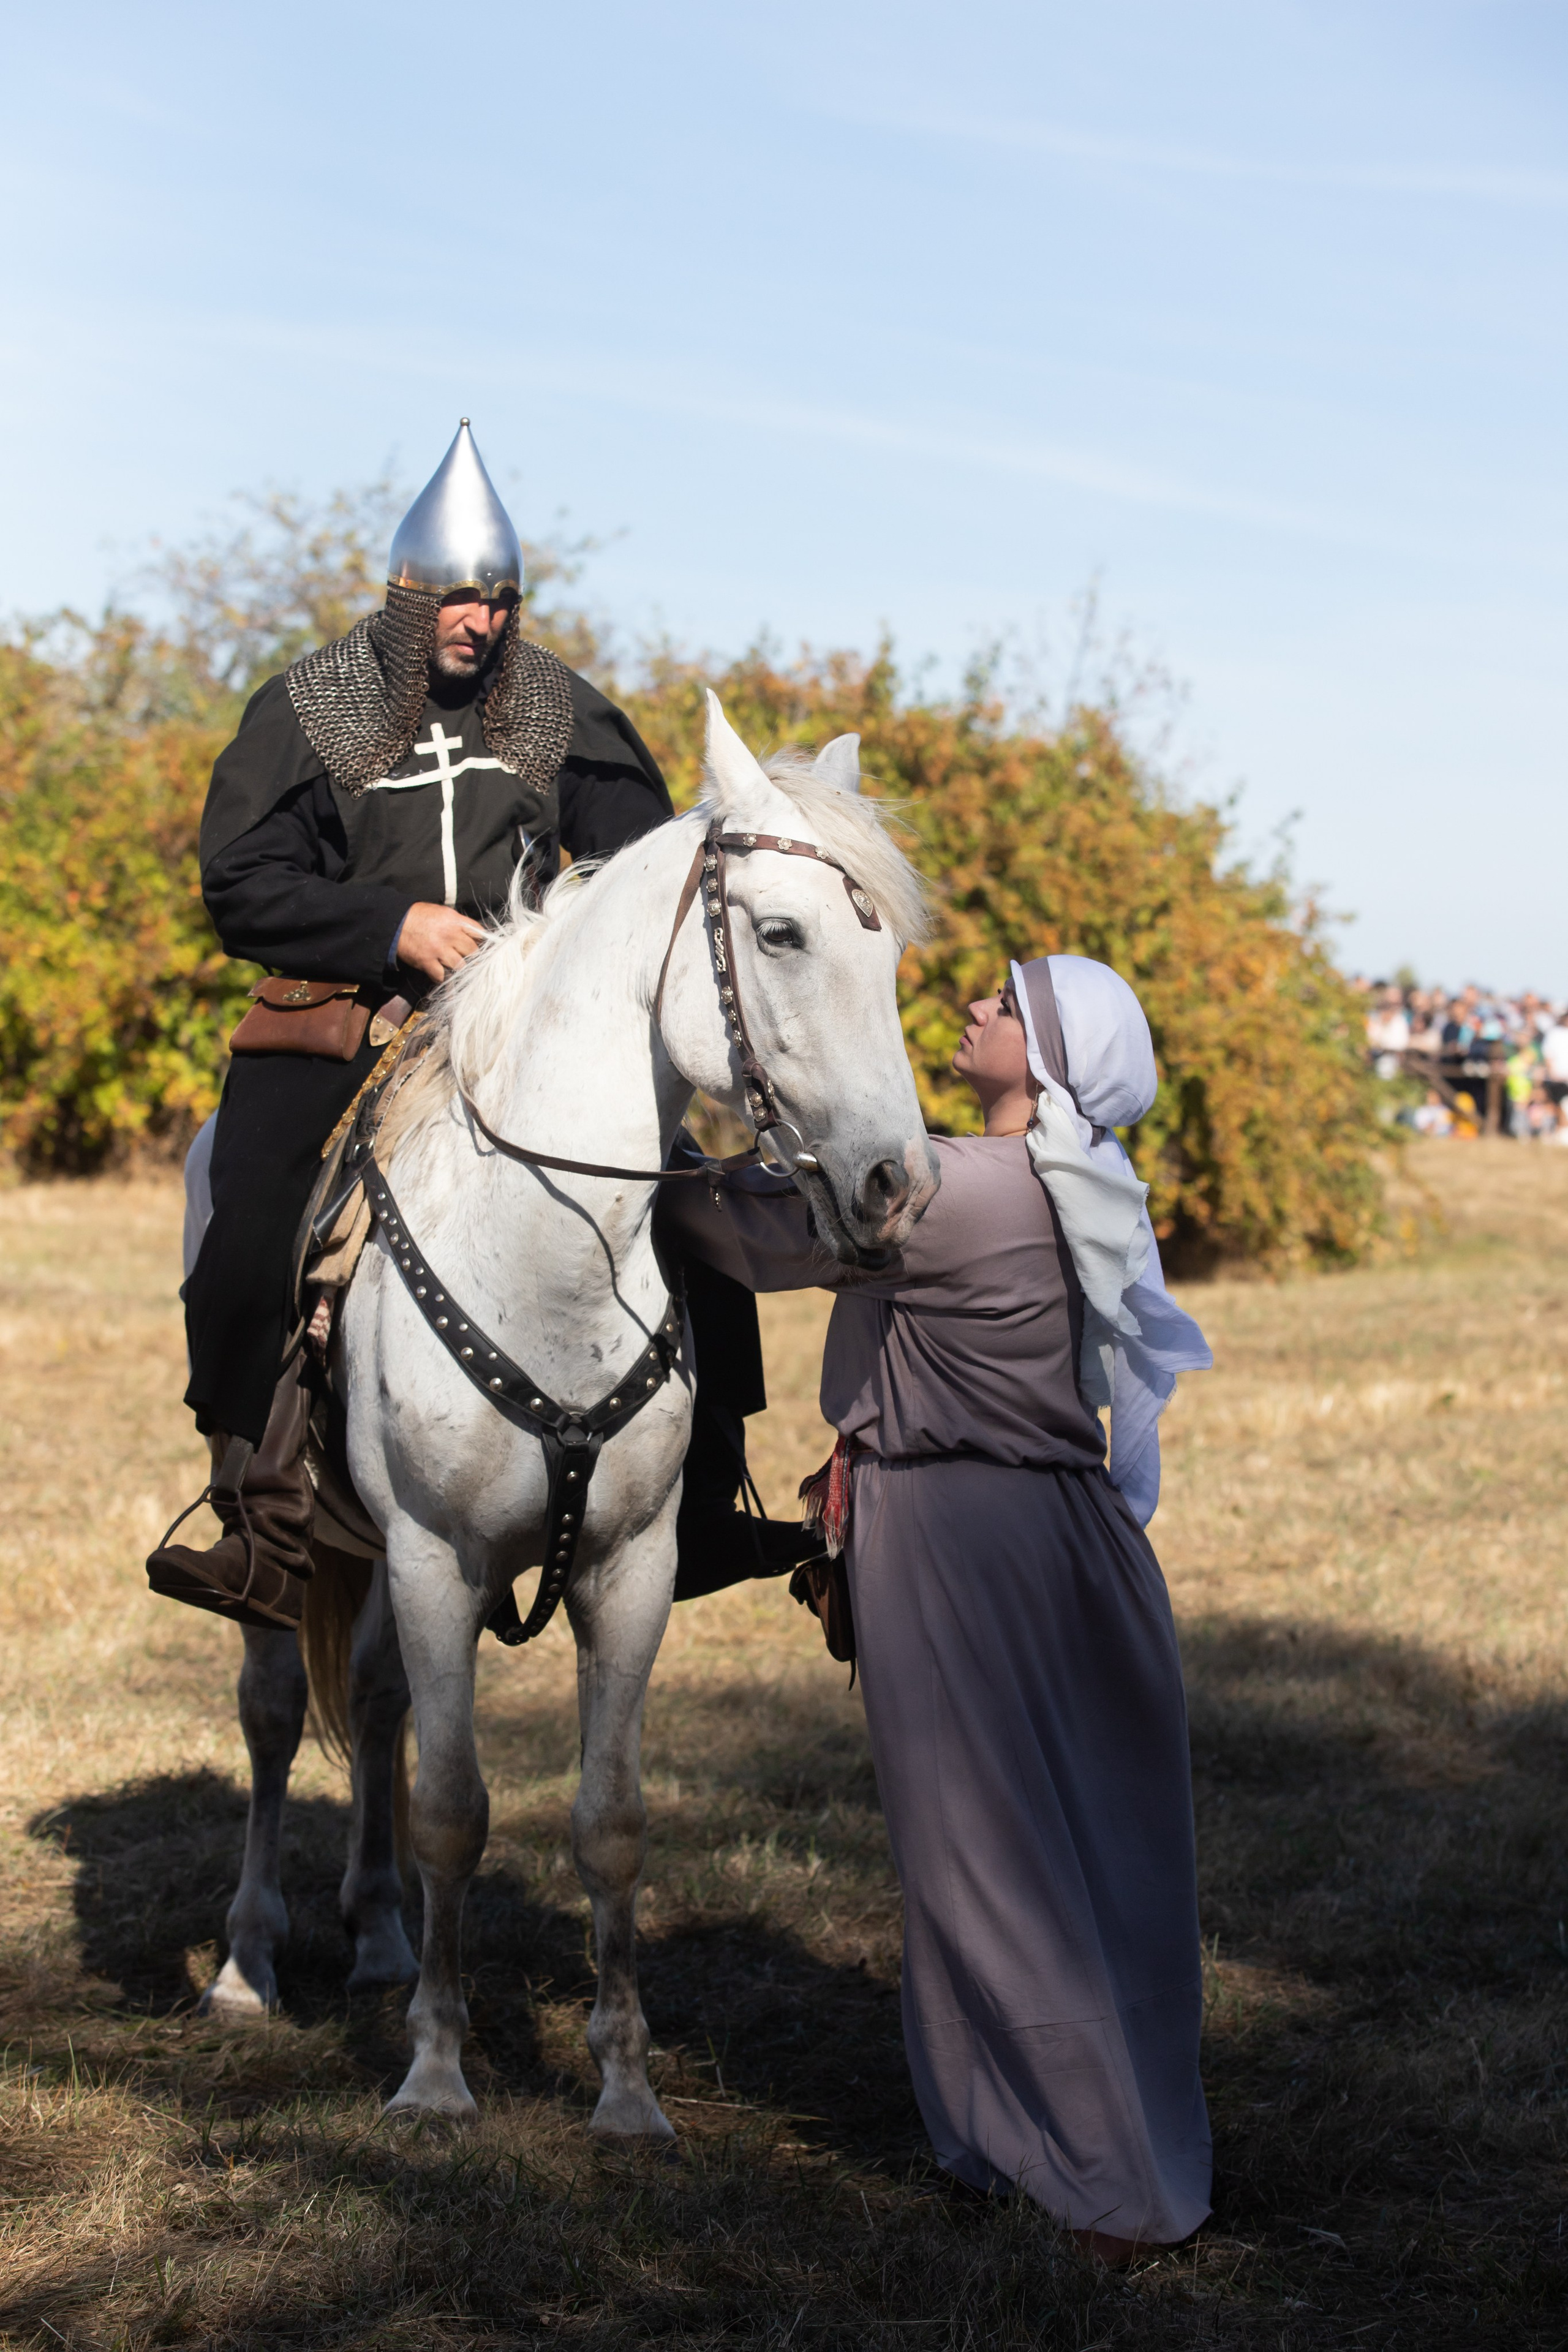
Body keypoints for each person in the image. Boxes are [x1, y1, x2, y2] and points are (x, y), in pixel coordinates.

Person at [149, 420, 804, 1633]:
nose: (482, 620)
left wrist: (552, 948)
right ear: (405, 593)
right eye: (459, 597)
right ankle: (261, 1514)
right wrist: (389, 925)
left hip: (523, 1024)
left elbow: (632, 866)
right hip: (358, 1016)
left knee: (675, 1198)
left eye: (501, 599)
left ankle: (703, 1492)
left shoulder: (554, 706)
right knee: (254, 1205)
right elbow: (241, 879)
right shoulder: (318, 703)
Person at [659, 954, 1214, 2258]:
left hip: (956, 1536)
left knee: (979, 1854)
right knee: (1088, 1852)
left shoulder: (953, 1191)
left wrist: (656, 1120)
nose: (975, 1004)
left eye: (1006, 1006)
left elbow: (743, 1233)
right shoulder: (1069, 1185)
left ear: (1052, 1061)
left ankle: (1103, 2187)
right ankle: (1007, 2137)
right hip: (1063, 1534)